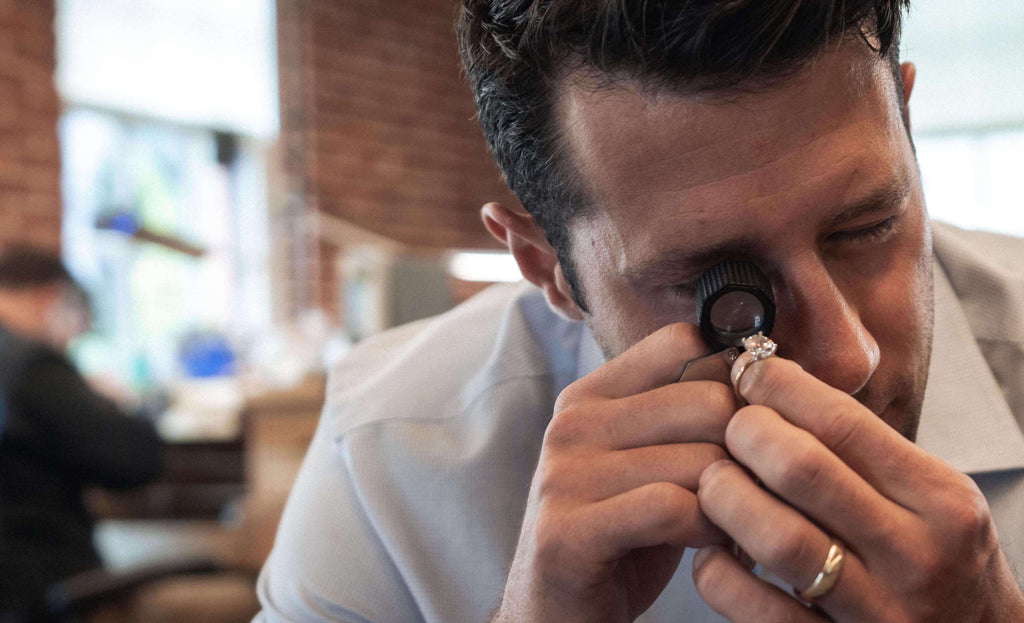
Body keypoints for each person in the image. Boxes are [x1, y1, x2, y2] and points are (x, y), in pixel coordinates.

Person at [255, 1, 1024, 621]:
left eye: (866, 226)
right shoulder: (389, 458)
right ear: (547, 268)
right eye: (719, 281)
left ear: (909, 132)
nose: (845, 357)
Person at [0, 246, 163, 620]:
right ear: (50, 298)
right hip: (40, 587)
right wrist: (112, 404)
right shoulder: (31, 365)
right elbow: (135, 463)